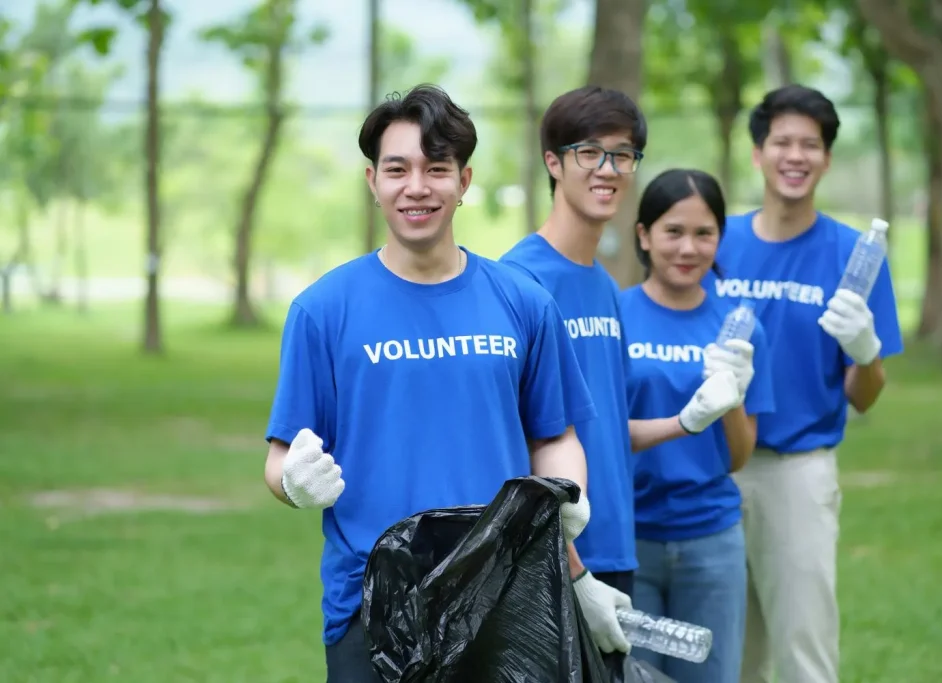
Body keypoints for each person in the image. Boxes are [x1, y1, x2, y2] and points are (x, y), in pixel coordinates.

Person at [262, 84, 596, 683]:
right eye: (398, 169)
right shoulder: (322, 309)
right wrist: (293, 482)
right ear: (372, 182)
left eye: (436, 168)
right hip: (373, 600)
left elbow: (555, 434)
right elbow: (283, 457)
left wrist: (566, 491)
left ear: (463, 182)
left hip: (504, 591)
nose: (417, 187)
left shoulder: (522, 302)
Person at [500, 86, 742, 677]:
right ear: (554, 163)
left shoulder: (605, 286)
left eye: (624, 154)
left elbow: (604, 427)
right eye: (590, 152)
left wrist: (688, 422)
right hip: (561, 560)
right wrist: (572, 564)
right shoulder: (520, 283)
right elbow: (515, 448)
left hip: (619, 546)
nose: (609, 169)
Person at [705, 84, 904, 683]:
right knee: (727, 654)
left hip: (795, 472)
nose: (796, 156)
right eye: (782, 142)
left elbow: (864, 394)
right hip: (711, 466)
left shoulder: (852, 253)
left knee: (803, 650)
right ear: (757, 153)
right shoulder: (716, 243)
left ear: (826, 159)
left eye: (810, 145)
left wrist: (866, 353)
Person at [622, 169, 776, 683]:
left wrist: (729, 397)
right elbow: (599, 438)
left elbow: (739, 456)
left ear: (719, 238)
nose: (688, 247)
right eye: (673, 231)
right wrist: (683, 420)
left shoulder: (741, 330)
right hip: (631, 540)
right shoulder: (614, 317)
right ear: (644, 235)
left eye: (704, 233)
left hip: (712, 539)